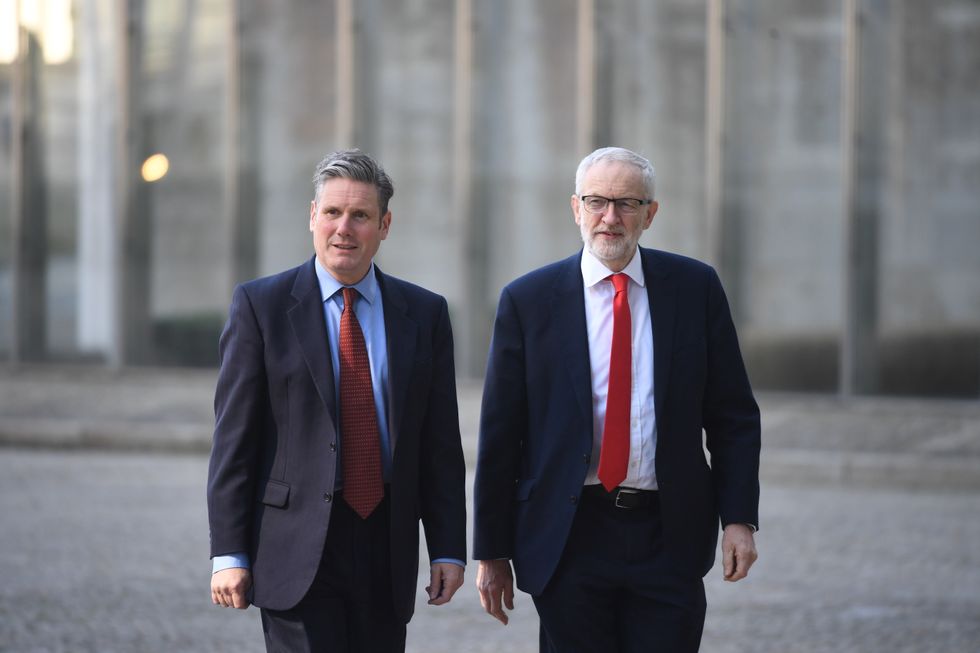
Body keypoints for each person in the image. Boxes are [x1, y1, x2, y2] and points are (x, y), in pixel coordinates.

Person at [473, 146, 760, 652]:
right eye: (597, 201)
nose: (610, 217)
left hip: (668, 534)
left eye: (627, 203)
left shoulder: (695, 289)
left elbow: (732, 416)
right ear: (575, 208)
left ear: (651, 214)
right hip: (569, 535)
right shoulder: (529, 300)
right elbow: (500, 434)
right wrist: (491, 552)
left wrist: (738, 518)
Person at [207, 149, 467, 652]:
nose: (343, 228)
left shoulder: (425, 314)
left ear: (385, 225)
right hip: (294, 544)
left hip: (385, 542)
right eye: (332, 212)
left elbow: (439, 444)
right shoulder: (261, 307)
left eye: (360, 216)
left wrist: (448, 548)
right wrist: (229, 553)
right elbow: (233, 442)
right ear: (312, 217)